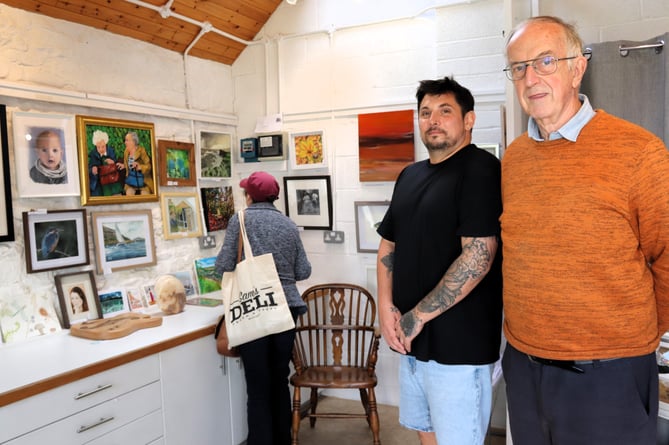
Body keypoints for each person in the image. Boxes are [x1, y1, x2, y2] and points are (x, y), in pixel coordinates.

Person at [501, 16, 669, 445]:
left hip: (609, 376)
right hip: (523, 368)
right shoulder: (513, 161)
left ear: (578, 68)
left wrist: (627, 335)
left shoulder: (640, 151)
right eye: (518, 67)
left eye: (545, 61)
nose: (530, 77)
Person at [376, 76, 503, 445]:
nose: (433, 119)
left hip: (460, 347)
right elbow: (388, 247)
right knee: (426, 433)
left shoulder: (480, 169)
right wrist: (386, 308)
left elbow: (479, 255)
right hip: (412, 342)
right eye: (425, 112)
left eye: (445, 111)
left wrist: (417, 316)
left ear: (469, 120)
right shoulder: (410, 175)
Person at [214, 171, 311, 445]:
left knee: (257, 388)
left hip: (253, 309)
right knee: (279, 381)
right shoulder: (289, 225)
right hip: (285, 313)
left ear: (249, 196)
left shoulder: (241, 219)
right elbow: (303, 270)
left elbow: (223, 265)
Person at [88, 129, 124, 196]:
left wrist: (113, 162)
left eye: (103, 146)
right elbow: (90, 167)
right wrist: (93, 168)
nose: (101, 149)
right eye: (98, 147)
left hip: (111, 178)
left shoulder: (111, 151)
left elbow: (116, 164)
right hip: (99, 181)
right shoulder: (93, 154)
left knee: (116, 192)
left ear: (106, 144)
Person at [122, 131, 153, 195]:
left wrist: (140, 167)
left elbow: (149, 166)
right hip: (131, 180)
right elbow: (128, 165)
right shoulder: (126, 152)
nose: (125, 142)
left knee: (145, 195)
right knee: (129, 194)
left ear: (133, 141)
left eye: (127, 140)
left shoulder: (141, 151)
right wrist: (124, 165)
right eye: (125, 140)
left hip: (143, 181)